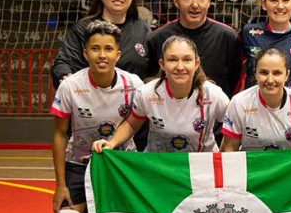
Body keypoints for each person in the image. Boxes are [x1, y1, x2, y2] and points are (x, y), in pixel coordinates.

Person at [51, 0, 151, 213]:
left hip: (124, 164)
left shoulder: (134, 80)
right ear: (86, 52)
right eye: (95, 49)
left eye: (109, 49)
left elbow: (138, 119)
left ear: (118, 53)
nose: (102, 55)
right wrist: (60, 185)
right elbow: (59, 134)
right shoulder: (71, 84)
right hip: (80, 163)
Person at [93, 35, 229, 154]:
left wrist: (224, 156)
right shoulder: (147, 93)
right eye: (172, 60)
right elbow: (130, 125)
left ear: (196, 64)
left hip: (200, 166)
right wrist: (111, 143)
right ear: (162, 64)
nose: (180, 67)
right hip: (157, 166)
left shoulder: (214, 94)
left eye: (187, 59)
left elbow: (233, 127)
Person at [147, 0, 242, 97]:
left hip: (215, 112)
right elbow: (153, 80)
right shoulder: (157, 38)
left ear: (209, 1)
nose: (195, 4)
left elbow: (237, 82)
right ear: (176, 1)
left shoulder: (229, 37)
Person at [53, 0, 151, 87]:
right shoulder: (83, 28)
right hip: (90, 101)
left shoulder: (143, 29)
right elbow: (64, 62)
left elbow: (157, 69)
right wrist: (66, 78)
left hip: (132, 102)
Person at [221, 47, 291, 151]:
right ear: (255, 74)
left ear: (287, 75)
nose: (270, 80)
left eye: (277, 73)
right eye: (264, 72)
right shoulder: (239, 103)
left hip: (289, 166)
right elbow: (229, 150)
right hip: (252, 166)